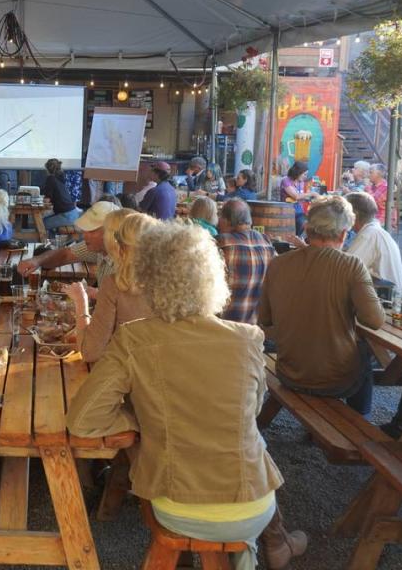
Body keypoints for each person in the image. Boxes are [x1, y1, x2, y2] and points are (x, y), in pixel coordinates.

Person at [66, 222, 306, 570]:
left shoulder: (135, 339)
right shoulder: (247, 337)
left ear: (149, 278)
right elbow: (250, 413)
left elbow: (83, 420)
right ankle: (265, 546)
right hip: (254, 505)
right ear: (214, 276)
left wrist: (141, 420)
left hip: (179, 506)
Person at [259, 195, 384, 415]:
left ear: (307, 229)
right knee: (364, 351)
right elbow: (374, 321)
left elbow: (264, 320)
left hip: (289, 372)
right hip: (334, 381)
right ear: (344, 233)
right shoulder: (351, 266)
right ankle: (359, 426)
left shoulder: (278, 264)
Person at [66, 210, 155, 363]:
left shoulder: (116, 282)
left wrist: (81, 301)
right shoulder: (169, 281)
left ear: (114, 239)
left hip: (129, 373)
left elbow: (89, 352)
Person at [17, 201, 120, 291]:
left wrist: (91, 294)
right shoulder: (100, 246)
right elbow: (65, 254)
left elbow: (121, 306)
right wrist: (37, 261)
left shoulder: (127, 260)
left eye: (91, 231)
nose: (85, 235)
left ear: (110, 233)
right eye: (85, 230)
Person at [218, 199, 276, 325]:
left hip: (224, 324)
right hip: (254, 327)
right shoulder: (266, 242)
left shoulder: (222, 243)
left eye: (220, 217)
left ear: (228, 221)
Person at [344, 191, 402, 290]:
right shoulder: (374, 231)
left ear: (354, 214)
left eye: (344, 212)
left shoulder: (369, 235)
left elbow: (345, 270)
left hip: (386, 299)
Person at [40, 158, 81, 232]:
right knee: (44, 220)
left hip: (67, 216)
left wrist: (40, 201)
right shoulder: (60, 178)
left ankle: (48, 241)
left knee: (42, 223)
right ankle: (51, 240)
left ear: (47, 169)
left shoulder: (50, 179)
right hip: (73, 214)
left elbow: (47, 200)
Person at [280, 161, 314, 237]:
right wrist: (312, 193)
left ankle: (297, 239)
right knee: (301, 223)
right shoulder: (286, 181)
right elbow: (296, 196)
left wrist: (308, 199)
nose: (305, 176)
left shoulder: (301, 182)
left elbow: (301, 197)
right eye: (304, 174)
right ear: (298, 172)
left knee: (306, 223)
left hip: (299, 212)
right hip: (287, 212)